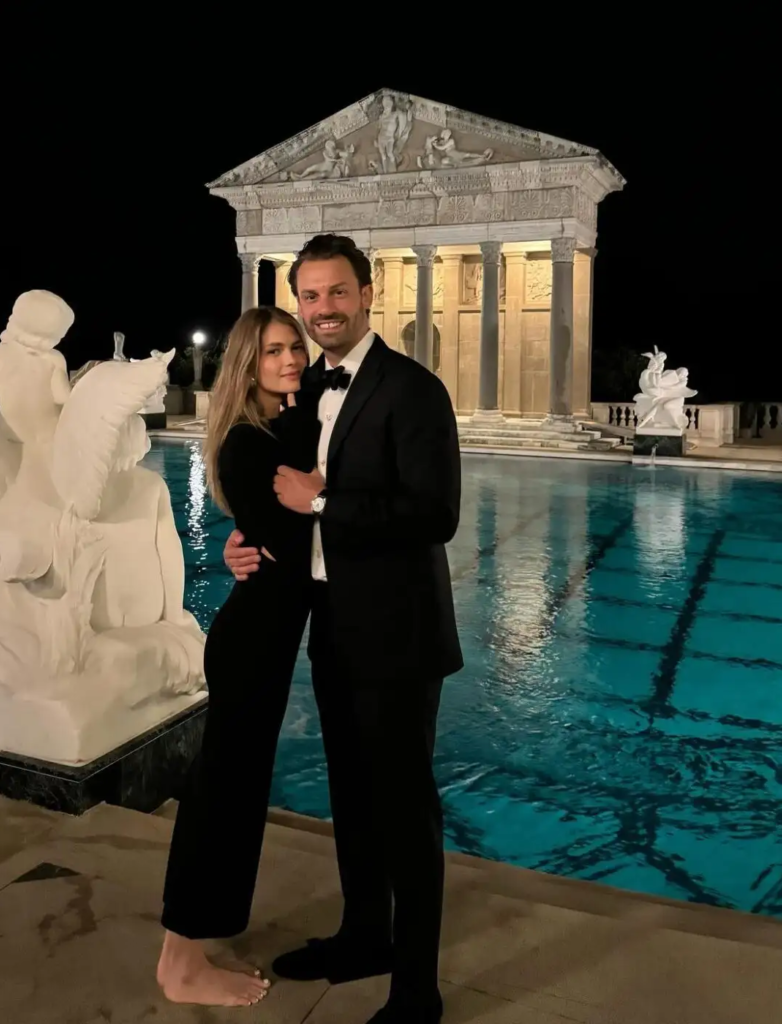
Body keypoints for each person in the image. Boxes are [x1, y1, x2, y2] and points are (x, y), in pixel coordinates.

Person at [223, 233, 463, 1024]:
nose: (323, 308)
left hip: (398, 633)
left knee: (404, 808)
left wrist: (323, 502)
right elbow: (281, 502)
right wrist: (245, 542)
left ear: (367, 293)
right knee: (352, 796)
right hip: (332, 622)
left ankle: (417, 991)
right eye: (310, 295)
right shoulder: (301, 397)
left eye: (336, 292)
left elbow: (436, 513)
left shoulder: (412, 389)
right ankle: (365, 937)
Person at [157, 306, 317, 1008]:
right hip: (251, 641)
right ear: (248, 365)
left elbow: (279, 531)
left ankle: (190, 945)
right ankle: (179, 962)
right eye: (274, 351)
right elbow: (289, 536)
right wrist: (316, 501)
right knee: (220, 795)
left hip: (264, 636)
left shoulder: (278, 427)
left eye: (295, 348)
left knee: (234, 792)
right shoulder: (250, 443)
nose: (291, 361)